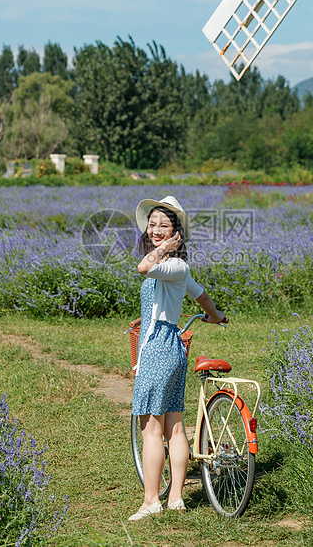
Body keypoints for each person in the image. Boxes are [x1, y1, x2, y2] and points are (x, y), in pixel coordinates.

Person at [128, 195, 227, 522]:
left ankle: (151, 501)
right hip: (173, 345)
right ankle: (176, 499)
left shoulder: (169, 263)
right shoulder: (180, 269)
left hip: (157, 347)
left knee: (151, 429)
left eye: (164, 226)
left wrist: (165, 248)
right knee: (174, 427)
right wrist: (216, 316)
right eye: (152, 224)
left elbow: (144, 267)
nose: (155, 230)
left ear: (176, 233)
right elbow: (201, 295)